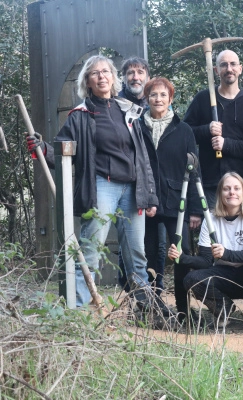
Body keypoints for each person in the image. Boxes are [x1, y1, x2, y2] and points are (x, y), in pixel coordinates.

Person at [26, 55, 158, 308]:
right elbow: (62, 151)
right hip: (102, 187)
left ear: (113, 77)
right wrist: (41, 147)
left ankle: (144, 308)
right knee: (91, 250)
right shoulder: (80, 116)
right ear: (87, 81)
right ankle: (76, 309)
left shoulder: (127, 111)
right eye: (95, 73)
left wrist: (149, 195)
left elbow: (142, 158)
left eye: (106, 71)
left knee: (136, 253)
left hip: (133, 189)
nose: (102, 76)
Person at [168, 172, 243, 330]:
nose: (232, 192)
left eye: (236, 188)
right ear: (220, 194)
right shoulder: (210, 219)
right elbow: (206, 261)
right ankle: (223, 309)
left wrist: (226, 254)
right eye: (226, 189)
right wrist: (182, 257)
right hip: (225, 276)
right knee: (192, 279)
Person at [141, 77, 202, 323]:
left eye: (163, 95)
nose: (158, 99)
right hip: (146, 200)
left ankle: (183, 309)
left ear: (171, 99)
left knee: (182, 253)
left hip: (178, 200)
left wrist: (196, 209)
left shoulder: (183, 129)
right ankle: (152, 306)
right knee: (149, 254)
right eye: (153, 95)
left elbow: (195, 168)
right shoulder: (137, 126)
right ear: (147, 98)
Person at [184, 50, 243, 208]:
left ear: (240, 68)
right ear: (216, 70)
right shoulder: (202, 99)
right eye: (224, 65)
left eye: (233, 64)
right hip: (210, 185)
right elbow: (186, 133)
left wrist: (226, 145)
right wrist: (206, 129)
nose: (229, 69)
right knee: (213, 232)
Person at [117, 57, 168, 301]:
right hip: (126, 185)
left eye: (140, 72)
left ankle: (155, 294)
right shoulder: (115, 105)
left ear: (147, 77)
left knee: (157, 244)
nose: (135, 77)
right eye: (130, 72)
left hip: (153, 187)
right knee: (129, 243)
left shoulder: (154, 108)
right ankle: (131, 295)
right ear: (123, 77)